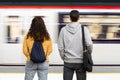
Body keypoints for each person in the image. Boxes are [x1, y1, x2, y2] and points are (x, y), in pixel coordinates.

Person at [58, 10, 93, 80]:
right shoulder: (84, 29)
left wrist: (63, 57)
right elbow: (89, 44)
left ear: (69, 18)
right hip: (81, 61)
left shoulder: (63, 30)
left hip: (68, 61)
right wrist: (88, 54)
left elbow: (60, 47)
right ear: (79, 18)